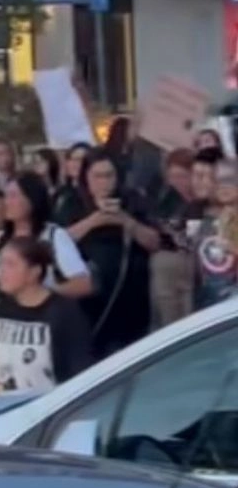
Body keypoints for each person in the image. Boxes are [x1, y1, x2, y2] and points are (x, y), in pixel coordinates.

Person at [67, 148, 161, 356]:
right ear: (86, 179)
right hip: (90, 306)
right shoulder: (71, 202)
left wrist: (125, 221)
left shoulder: (134, 200)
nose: (104, 183)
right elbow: (60, 240)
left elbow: (155, 241)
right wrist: (94, 221)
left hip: (132, 300)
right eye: (98, 176)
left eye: (109, 176)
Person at [0, 237, 93, 392]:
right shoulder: (1, 309)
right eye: (1, 263)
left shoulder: (65, 312)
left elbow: (79, 369)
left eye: (10, 264)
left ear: (33, 272)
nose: (2, 270)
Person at [0, 172, 93, 299]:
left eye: (13, 196)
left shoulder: (53, 235)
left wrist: (42, 294)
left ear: (32, 199)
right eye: (6, 196)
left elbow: (84, 284)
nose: (6, 202)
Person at [150, 148, 199, 328]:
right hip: (172, 271)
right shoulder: (165, 200)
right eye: (172, 177)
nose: (176, 182)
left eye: (182, 176)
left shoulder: (203, 200)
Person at [192, 157, 238, 309]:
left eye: (230, 180)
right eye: (218, 180)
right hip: (211, 309)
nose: (224, 186)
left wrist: (232, 248)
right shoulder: (207, 222)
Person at [53, 143, 92, 226]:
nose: (76, 163)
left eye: (81, 160)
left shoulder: (93, 192)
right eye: (72, 159)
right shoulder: (61, 193)